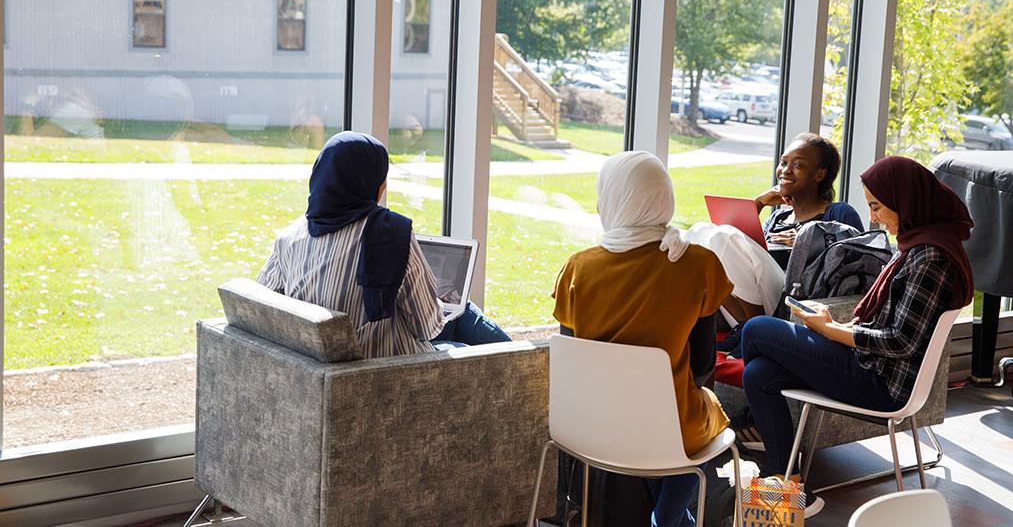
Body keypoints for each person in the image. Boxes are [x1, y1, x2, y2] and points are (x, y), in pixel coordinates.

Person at [737, 155, 974, 517]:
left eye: (877, 207)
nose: (874, 218)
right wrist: (840, 326)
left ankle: (760, 451)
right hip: (874, 368)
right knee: (759, 374)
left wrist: (832, 331)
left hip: (882, 384)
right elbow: (894, 328)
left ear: (905, 199)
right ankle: (791, 487)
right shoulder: (922, 244)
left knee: (755, 330)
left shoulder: (930, 257)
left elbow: (900, 342)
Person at [553, 151, 732, 527]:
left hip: (588, 429)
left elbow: (571, 357)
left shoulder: (576, 268)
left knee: (659, 433)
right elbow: (701, 367)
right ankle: (666, 519)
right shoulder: (697, 264)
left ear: (612, 199)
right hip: (666, 432)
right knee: (705, 415)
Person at [257, 131, 510, 358]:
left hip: (322, 364)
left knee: (459, 310)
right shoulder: (389, 234)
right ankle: (530, 364)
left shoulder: (288, 237)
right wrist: (440, 302)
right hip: (386, 371)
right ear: (375, 183)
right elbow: (428, 327)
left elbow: (261, 303)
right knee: (463, 316)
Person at [753, 133, 863, 249]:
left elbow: (863, 256)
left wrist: (809, 243)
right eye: (784, 163)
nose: (785, 170)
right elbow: (739, 251)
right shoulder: (776, 219)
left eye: (798, 165)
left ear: (819, 175)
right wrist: (759, 203)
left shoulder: (839, 213)